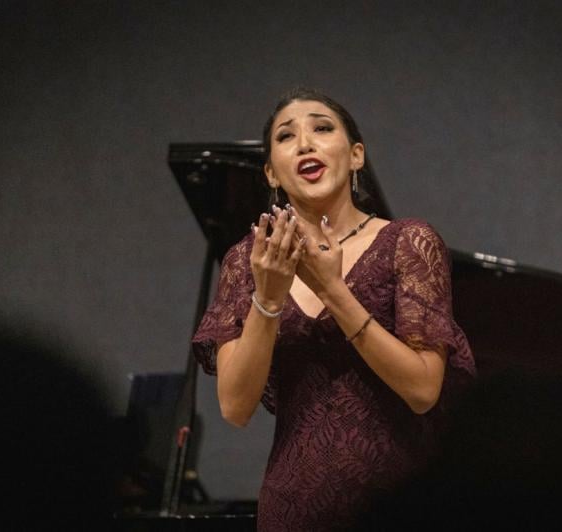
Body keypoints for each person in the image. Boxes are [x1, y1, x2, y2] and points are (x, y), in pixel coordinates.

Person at [192, 87, 475, 530]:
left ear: (356, 155)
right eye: (286, 137)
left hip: (398, 504)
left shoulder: (407, 243)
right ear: (271, 172)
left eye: (322, 128)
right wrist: (267, 298)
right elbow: (235, 407)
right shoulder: (248, 261)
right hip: (293, 509)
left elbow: (422, 392)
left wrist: (333, 291)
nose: (305, 142)